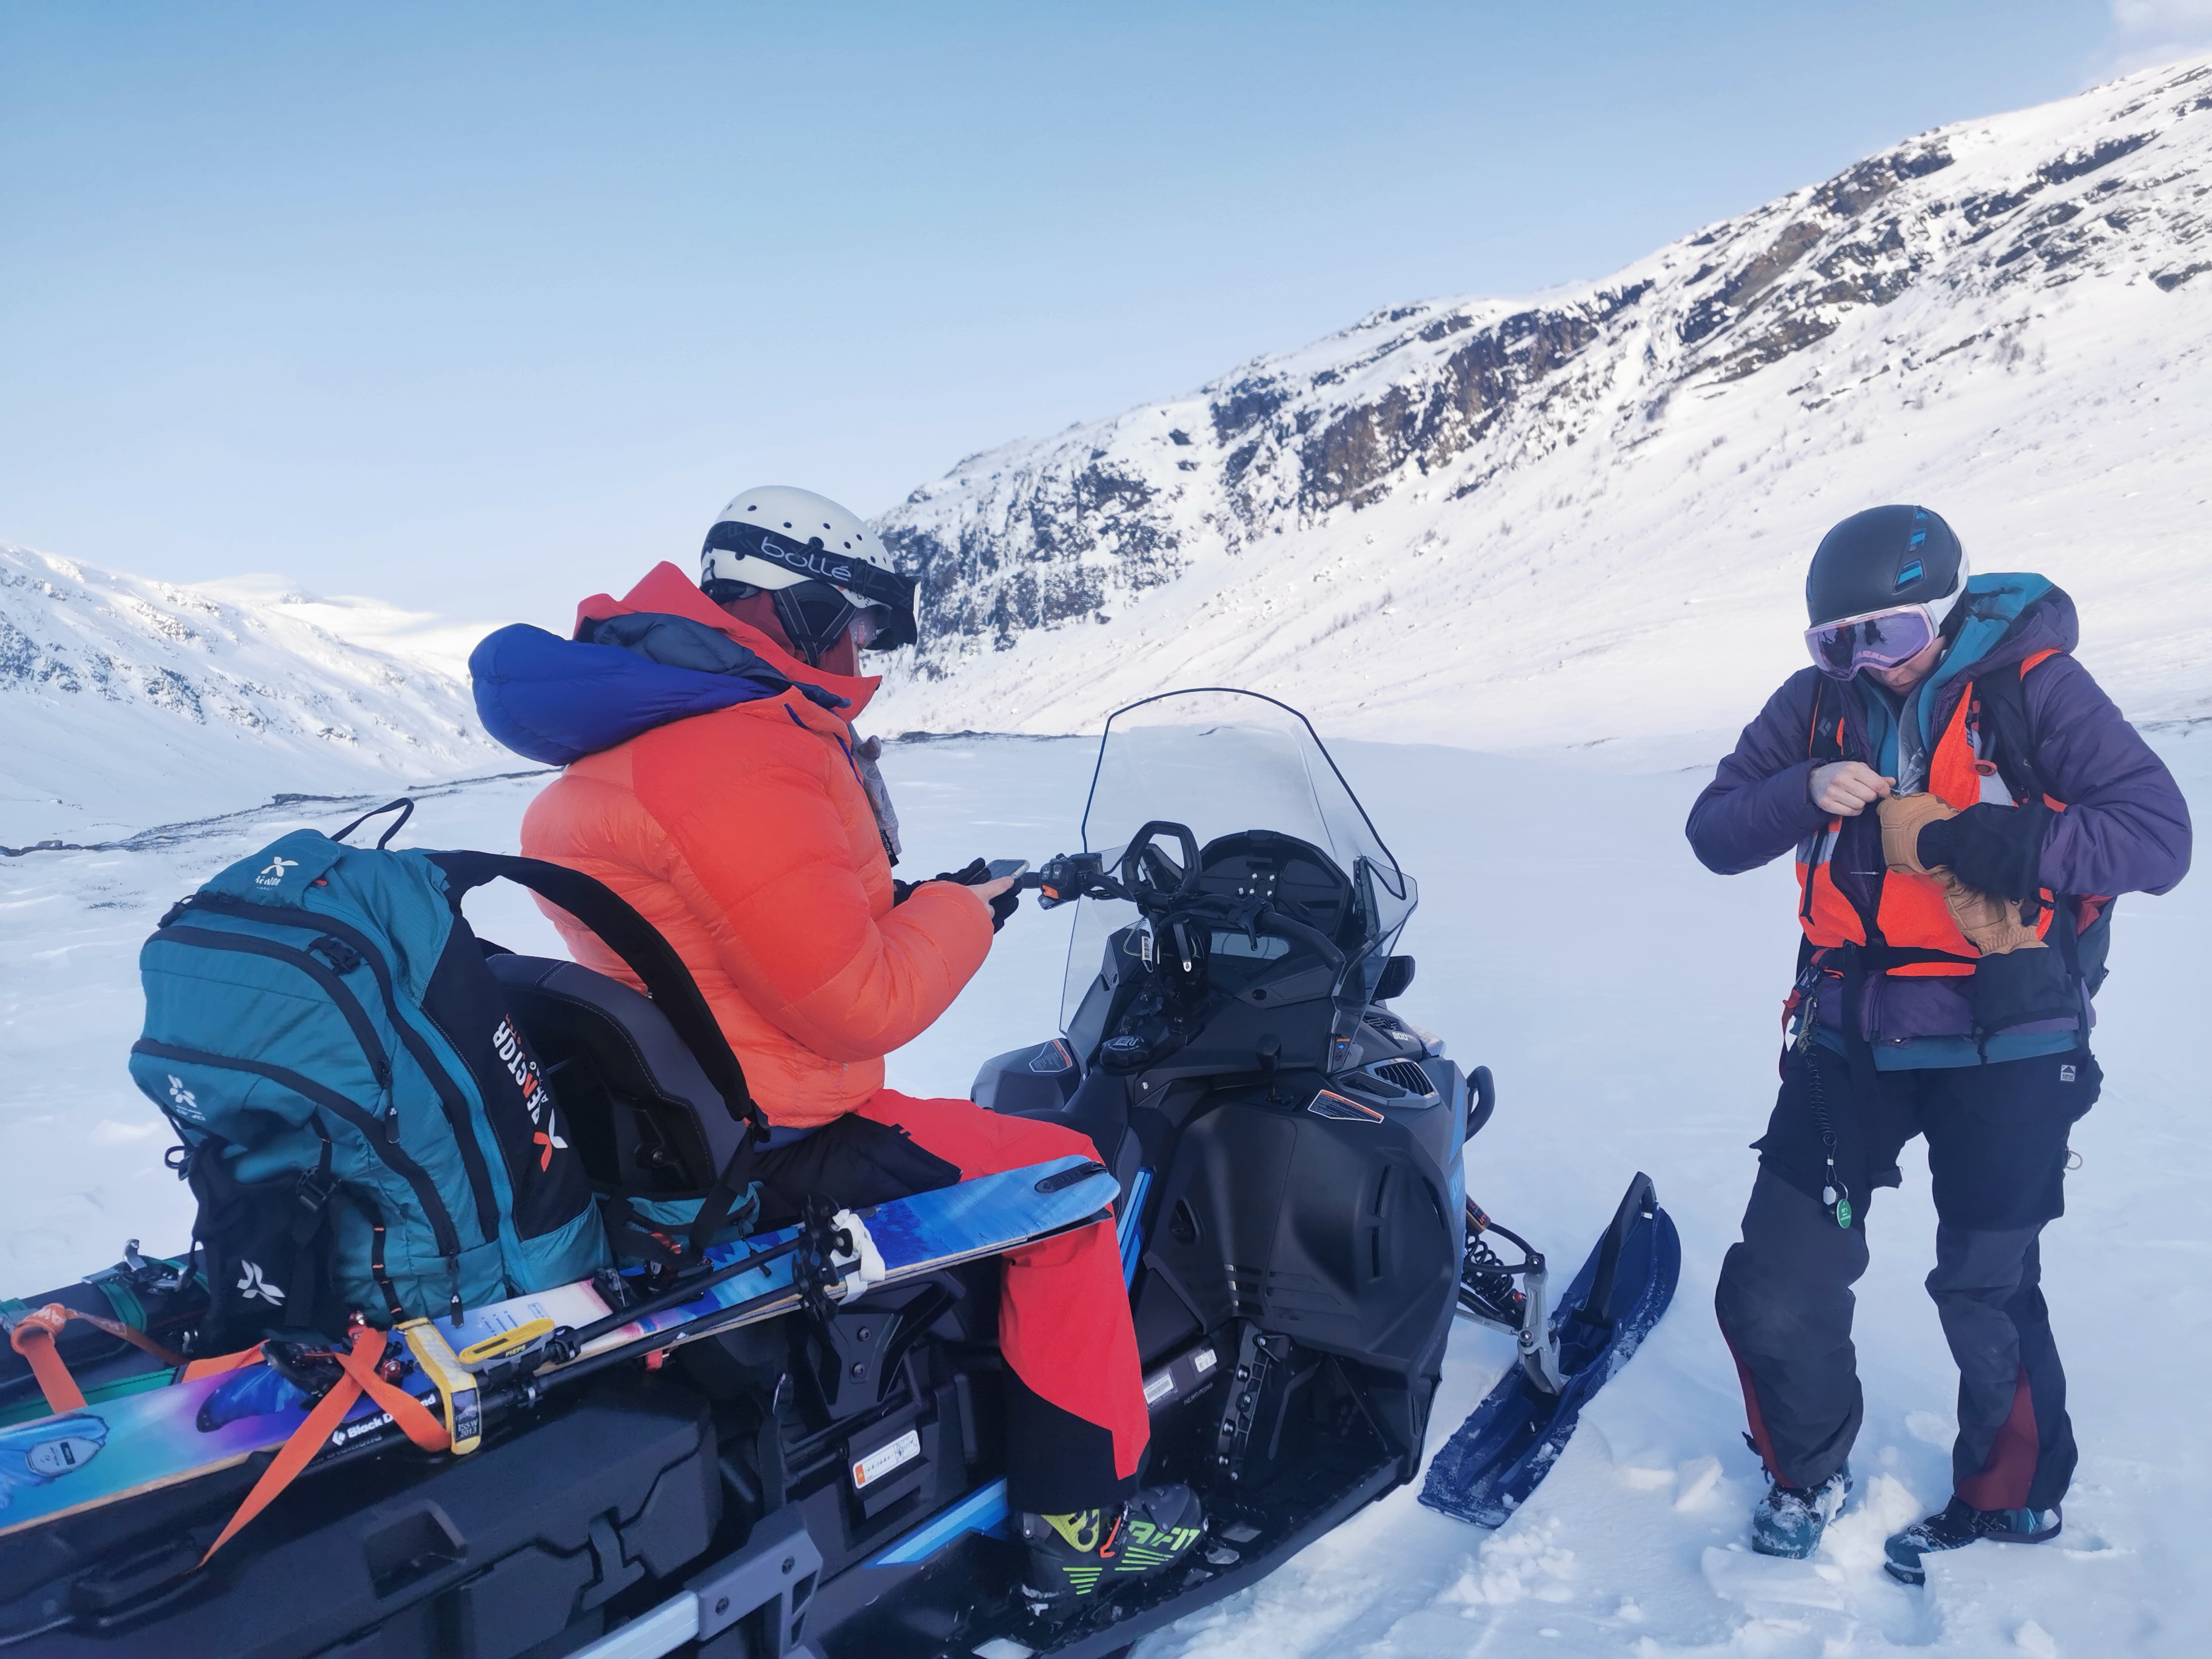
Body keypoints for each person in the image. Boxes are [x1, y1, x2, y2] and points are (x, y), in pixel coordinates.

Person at [471, 485, 1202, 1606]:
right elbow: (862, 1004)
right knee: (1066, 1189)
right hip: (788, 1132)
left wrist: (953, 899)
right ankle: (1082, 1528)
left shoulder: (644, 741)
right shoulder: (741, 755)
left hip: (697, 1125)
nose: (867, 650)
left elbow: (731, 938)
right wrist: (957, 917)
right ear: (802, 609)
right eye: (858, 623)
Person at [1684, 505, 2189, 1583]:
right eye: (1840, 640)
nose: (1869, 661)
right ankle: (1807, 1471)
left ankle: (2009, 1502)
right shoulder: (1818, 707)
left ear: (1948, 614)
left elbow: (2159, 835)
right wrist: (1801, 790)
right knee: (1779, 1276)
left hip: (2010, 1028)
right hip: (1850, 1027)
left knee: (1987, 1281)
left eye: (1894, 635)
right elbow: (1714, 831)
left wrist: (1978, 839)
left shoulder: (2035, 686)